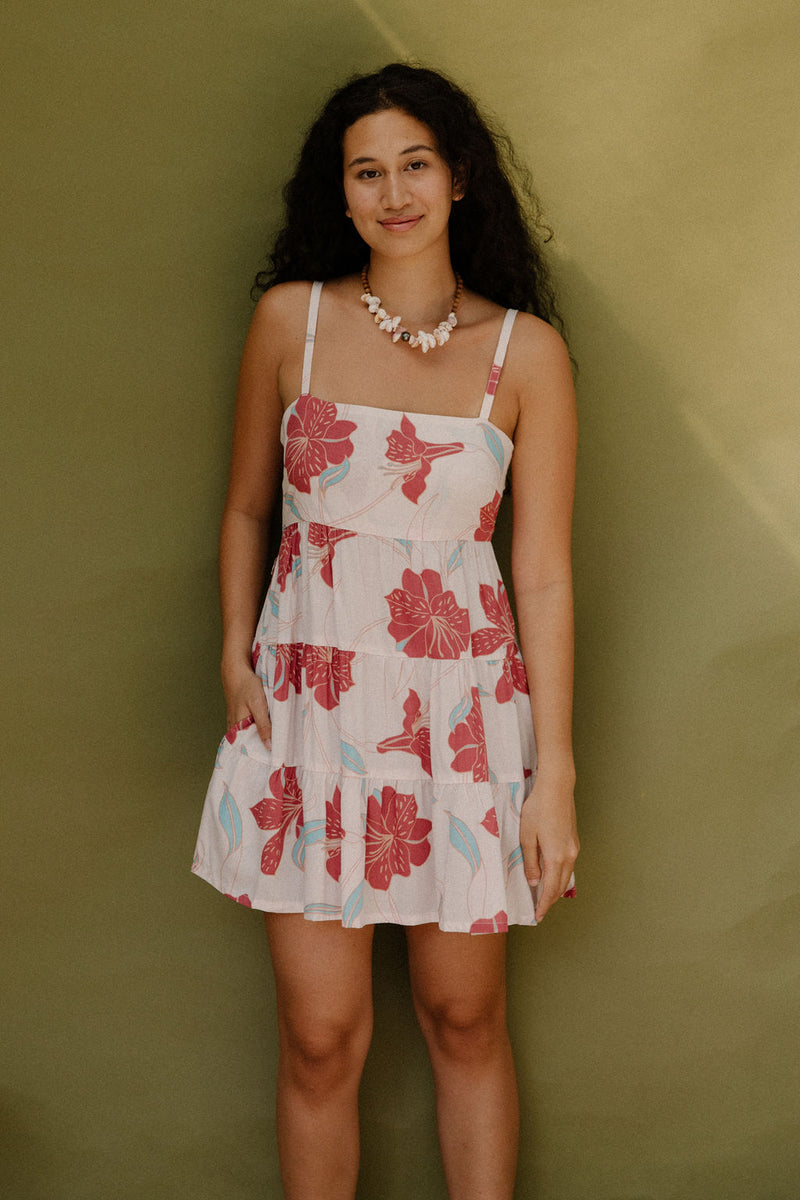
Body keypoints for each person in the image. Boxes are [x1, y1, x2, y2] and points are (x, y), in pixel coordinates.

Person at [192, 62, 579, 1200]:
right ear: (341, 193)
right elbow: (247, 507)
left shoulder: (527, 355)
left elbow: (543, 576)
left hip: (459, 722)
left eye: (414, 163)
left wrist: (550, 773)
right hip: (306, 711)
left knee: (463, 1017)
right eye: (366, 171)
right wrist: (230, 648)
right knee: (320, 1039)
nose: (392, 190)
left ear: (458, 178)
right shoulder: (289, 323)